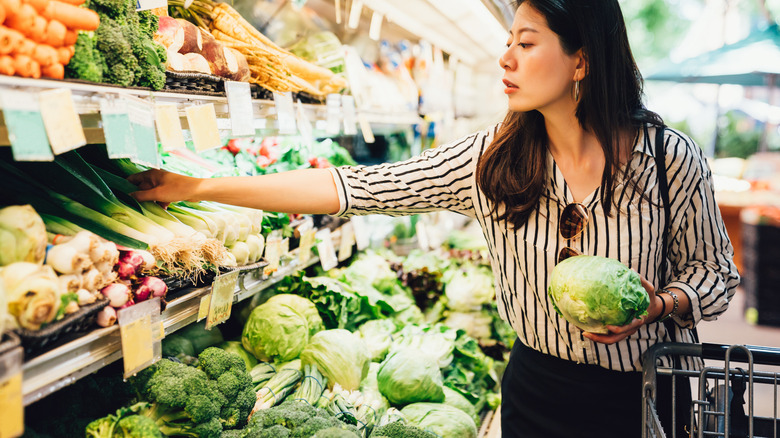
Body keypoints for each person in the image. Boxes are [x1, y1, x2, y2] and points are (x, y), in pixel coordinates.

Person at [129, 0, 739, 436]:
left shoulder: (666, 159)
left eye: (526, 43)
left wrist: (657, 306)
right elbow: (357, 186)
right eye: (508, 42)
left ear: (581, 61)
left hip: (648, 396)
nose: (507, 58)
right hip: (538, 392)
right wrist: (199, 185)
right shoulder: (492, 161)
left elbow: (716, 274)